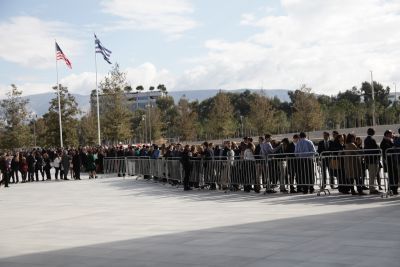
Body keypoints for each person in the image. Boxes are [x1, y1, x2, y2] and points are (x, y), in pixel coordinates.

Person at [380, 130, 398, 195]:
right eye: (391, 134)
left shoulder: (390, 140)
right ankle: (392, 189)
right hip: (389, 161)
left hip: (392, 160)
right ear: (387, 134)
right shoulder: (384, 141)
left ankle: (394, 189)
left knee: (394, 175)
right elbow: (387, 149)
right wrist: (393, 147)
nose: (392, 135)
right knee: (391, 175)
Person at [364, 128, 380, 194]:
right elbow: (375, 149)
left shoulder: (366, 139)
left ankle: (372, 187)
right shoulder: (372, 139)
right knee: (372, 174)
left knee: (372, 174)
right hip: (373, 159)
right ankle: (372, 189)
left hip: (369, 159)